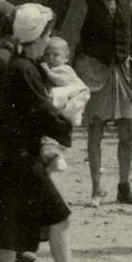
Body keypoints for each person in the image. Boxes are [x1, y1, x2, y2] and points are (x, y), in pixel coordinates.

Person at [0, 3, 101, 262]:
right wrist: (66, 122)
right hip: (20, 160)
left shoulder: (14, 64)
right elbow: (43, 113)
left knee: (8, 223)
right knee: (60, 217)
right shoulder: (24, 69)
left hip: (5, 158)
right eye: (47, 34)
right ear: (38, 35)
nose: (48, 41)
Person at [60, 0, 132, 208]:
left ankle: (124, 186)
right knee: (96, 129)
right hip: (94, 70)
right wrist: (69, 78)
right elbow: (69, 38)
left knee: (128, 128)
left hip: (122, 69)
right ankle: (96, 189)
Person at [39, 36, 90, 173]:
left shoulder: (65, 69)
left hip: (67, 104)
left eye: (56, 55)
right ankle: (54, 156)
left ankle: (57, 156)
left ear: (66, 58)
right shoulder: (49, 68)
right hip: (58, 106)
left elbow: (63, 82)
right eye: (47, 54)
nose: (50, 58)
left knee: (58, 131)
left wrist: (48, 72)